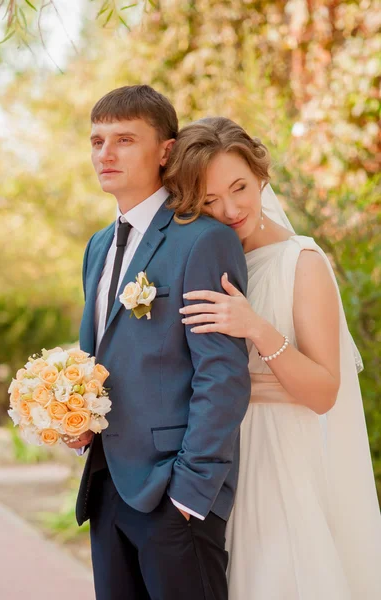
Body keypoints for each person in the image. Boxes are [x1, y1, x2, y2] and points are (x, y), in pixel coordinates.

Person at [163, 116, 381, 599]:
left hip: (277, 461)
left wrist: (256, 328)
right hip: (217, 460)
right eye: (209, 200)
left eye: (239, 187)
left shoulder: (300, 262)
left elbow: (324, 391)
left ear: (261, 174)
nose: (230, 208)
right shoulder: (205, 262)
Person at [66, 87, 251, 600]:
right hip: (106, 488)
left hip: (175, 495)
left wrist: (189, 496)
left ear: (165, 150)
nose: (106, 153)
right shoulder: (98, 246)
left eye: (125, 139)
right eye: (97, 140)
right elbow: (105, 355)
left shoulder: (202, 238)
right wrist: (74, 417)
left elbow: (222, 375)